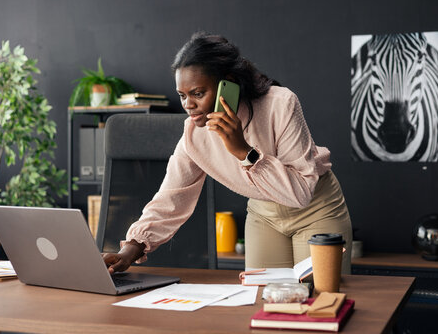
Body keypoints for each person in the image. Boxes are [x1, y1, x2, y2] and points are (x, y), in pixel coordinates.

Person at [103, 32, 352, 273]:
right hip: (264, 215)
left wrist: (244, 151)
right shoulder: (194, 135)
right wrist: (131, 249)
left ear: (228, 84)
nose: (189, 105)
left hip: (316, 210)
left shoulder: (280, 104)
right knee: (261, 300)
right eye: (183, 96)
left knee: (319, 300)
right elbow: (170, 199)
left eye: (198, 93)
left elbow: (300, 194)